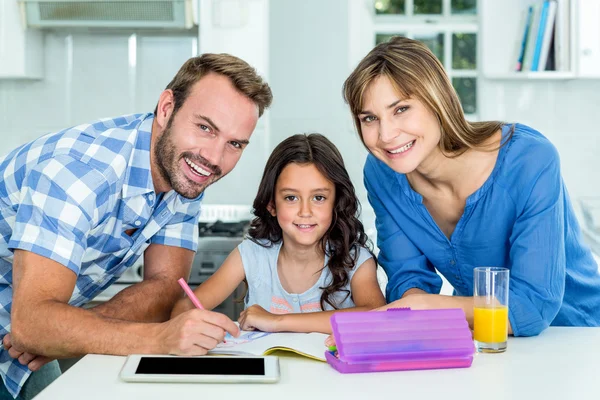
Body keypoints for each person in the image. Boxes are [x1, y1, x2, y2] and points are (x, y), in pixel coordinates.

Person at [0, 53, 272, 399]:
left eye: (235, 144)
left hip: (19, 353)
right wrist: (161, 337)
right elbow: (33, 324)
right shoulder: (78, 172)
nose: (215, 158)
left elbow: (167, 287)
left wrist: (67, 331)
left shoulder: (185, 172)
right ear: (166, 108)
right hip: (17, 335)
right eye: (205, 128)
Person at [341, 36, 600, 337]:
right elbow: (407, 276)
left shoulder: (529, 160)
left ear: (437, 100)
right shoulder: (382, 174)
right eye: (369, 118)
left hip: (578, 338)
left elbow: (532, 305)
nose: (386, 135)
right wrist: (414, 304)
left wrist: (425, 308)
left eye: (400, 109)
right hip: (481, 337)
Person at [171, 133, 386, 334]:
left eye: (318, 198)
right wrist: (189, 324)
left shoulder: (356, 261)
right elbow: (186, 305)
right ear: (272, 205)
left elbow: (376, 316)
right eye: (291, 197)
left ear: (335, 203)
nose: (305, 212)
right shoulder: (252, 254)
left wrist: (277, 321)